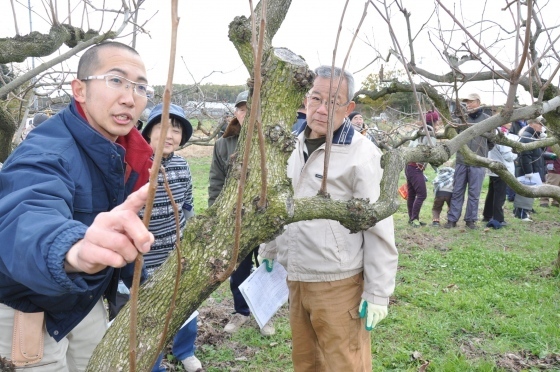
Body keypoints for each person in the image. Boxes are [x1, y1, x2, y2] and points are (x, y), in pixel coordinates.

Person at [0, 41, 155, 371]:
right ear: (79, 90)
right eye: (116, 80)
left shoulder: (129, 155)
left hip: (83, 298)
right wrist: (72, 248)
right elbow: (25, 215)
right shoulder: (46, 150)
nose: (130, 97)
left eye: (141, 87)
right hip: (24, 302)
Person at [260, 66, 398, 371]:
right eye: (316, 98)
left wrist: (377, 292)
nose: (322, 109)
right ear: (305, 100)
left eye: (334, 101)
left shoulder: (361, 155)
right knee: (307, 362)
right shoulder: (290, 144)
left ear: (349, 108)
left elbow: (378, 227)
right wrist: (269, 250)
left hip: (339, 281)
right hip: (296, 277)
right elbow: (280, 203)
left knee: (344, 362)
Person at [208, 90, 275, 337]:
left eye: (254, 109)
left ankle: (264, 313)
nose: (249, 113)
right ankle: (241, 311)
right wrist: (218, 216)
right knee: (239, 268)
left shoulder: (271, 142)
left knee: (266, 264)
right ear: (236, 113)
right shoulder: (223, 145)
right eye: (244, 109)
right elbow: (216, 181)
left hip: (266, 216)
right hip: (237, 219)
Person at [140, 103, 201, 372]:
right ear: (149, 131)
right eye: (163, 127)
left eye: (176, 130)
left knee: (185, 305)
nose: (170, 135)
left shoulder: (182, 166)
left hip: (175, 253)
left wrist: (188, 241)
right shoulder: (137, 165)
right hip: (144, 259)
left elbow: (188, 205)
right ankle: (152, 364)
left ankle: (184, 351)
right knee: (148, 317)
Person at [445, 93, 490, 229]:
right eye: (466, 102)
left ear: (478, 102)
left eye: (471, 102)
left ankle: (471, 220)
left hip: (478, 162)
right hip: (461, 161)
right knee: (457, 191)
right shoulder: (461, 119)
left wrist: (481, 152)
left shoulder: (487, 120)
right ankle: (452, 219)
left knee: (474, 193)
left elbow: (492, 140)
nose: (468, 105)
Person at [482, 124, 517, 227]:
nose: (510, 124)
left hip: (493, 167)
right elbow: (508, 155)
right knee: (499, 196)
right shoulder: (501, 134)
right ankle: (498, 218)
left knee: (492, 193)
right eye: (508, 122)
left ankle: (487, 215)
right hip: (502, 168)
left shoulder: (493, 132)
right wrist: (516, 153)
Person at [405, 112, 437, 227]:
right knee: (422, 194)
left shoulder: (417, 131)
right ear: (435, 122)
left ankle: (412, 218)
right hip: (415, 167)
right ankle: (414, 218)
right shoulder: (429, 133)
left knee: (412, 194)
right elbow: (432, 151)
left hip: (409, 166)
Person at [514, 119, 546, 221]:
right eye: (539, 124)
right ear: (532, 124)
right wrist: (528, 171)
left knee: (528, 192)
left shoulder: (533, 136)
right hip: (527, 171)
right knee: (525, 192)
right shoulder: (527, 136)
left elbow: (538, 153)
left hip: (533, 169)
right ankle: (522, 214)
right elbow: (525, 156)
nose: (541, 126)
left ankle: (523, 210)